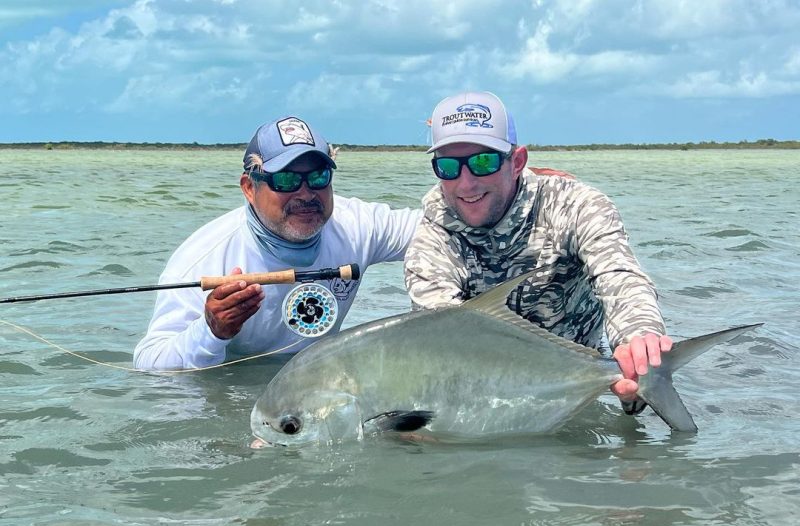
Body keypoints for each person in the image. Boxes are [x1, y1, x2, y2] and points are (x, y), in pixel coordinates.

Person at [404, 91, 672, 414]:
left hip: (584, 390)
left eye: (483, 162)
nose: (466, 183)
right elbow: (443, 340)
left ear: (517, 162)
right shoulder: (432, 238)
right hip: (486, 400)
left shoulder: (576, 205)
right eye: (448, 167)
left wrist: (639, 341)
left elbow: (620, 276)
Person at [135, 116, 421, 370]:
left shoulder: (357, 225)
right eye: (286, 180)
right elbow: (149, 362)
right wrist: (211, 330)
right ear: (249, 188)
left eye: (319, 177)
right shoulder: (202, 259)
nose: (306, 194)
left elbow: (437, 226)